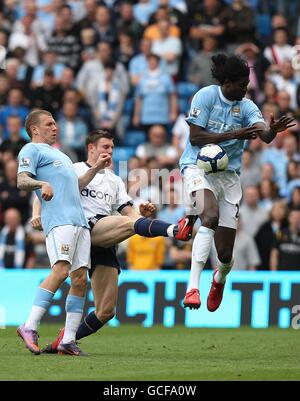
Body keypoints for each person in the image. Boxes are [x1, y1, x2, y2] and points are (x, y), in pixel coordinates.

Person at [32, 129, 192, 353]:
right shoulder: (74, 169)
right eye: (105, 147)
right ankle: (175, 229)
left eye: (112, 148)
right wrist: (36, 213)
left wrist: (141, 214)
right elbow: (45, 191)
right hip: (83, 229)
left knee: (106, 311)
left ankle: (64, 342)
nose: (109, 152)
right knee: (126, 225)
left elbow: (128, 212)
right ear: (91, 148)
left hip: (105, 236)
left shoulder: (115, 181)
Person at [179, 53, 294, 311]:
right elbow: (196, 138)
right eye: (242, 84)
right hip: (197, 167)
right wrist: (235, 134)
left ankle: (219, 279)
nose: (246, 89)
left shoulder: (247, 105)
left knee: (226, 256)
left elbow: (262, 132)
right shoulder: (205, 96)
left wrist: (271, 132)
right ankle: (192, 288)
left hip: (228, 177)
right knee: (209, 216)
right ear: (227, 82)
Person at [16, 110, 111, 356]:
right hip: (60, 222)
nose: (55, 127)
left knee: (80, 279)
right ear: (35, 129)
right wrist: (41, 184)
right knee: (60, 271)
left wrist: (96, 168)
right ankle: (29, 325)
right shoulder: (31, 150)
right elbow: (22, 180)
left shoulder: (61, 155)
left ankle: (68, 340)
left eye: (55, 123)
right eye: (49, 124)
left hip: (79, 223)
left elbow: (75, 185)